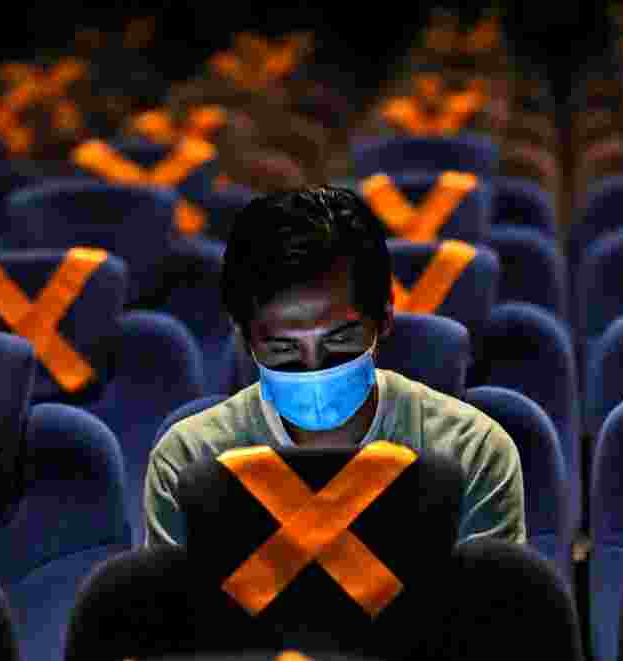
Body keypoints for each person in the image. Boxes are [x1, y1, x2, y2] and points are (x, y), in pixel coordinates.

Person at [144, 186, 526, 547]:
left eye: (340, 342)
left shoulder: (473, 453)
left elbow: (488, 615)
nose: (313, 370)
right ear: (247, 342)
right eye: (283, 349)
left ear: (384, 320)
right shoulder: (189, 461)